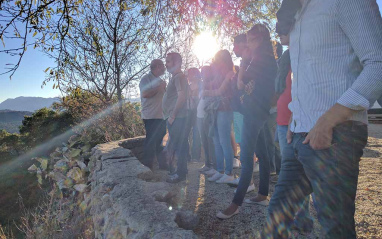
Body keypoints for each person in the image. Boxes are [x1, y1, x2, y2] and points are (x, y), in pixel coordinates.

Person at [264, 0, 382, 238]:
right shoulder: (299, 14)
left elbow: (378, 64)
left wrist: (328, 120)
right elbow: (307, 74)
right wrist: (296, 117)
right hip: (299, 136)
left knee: (336, 231)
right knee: (275, 223)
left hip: (336, 136)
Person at [217, 24, 277, 219]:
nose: (247, 44)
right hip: (259, 111)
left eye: (250, 40)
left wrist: (241, 70)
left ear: (259, 40)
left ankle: (236, 204)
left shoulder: (259, 60)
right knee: (263, 154)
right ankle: (262, 194)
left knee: (247, 158)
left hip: (253, 112)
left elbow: (241, 84)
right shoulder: (268, 59)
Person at [202, 50, 236, 184]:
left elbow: (220, 91)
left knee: (224, 141)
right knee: (216, 140)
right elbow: (212, 85)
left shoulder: (229, 73)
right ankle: (220, 170)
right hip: (215, 110)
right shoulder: (219, 74)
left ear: (223, 60)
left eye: (217, 60)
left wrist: (205, 92)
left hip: (225, 110)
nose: (215, 63)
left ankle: (229, 172)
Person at [163, 52, 189, 183]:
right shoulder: (176, 77)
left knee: (179, 146)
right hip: (177, 118)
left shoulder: (179, 77)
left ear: (177, 63)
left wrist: (172, 115)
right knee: (180, 145)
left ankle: (180, 174)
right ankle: (181, 172)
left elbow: (182, 97)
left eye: (168, 61)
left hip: (178, 118)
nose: (166, 64)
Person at [139, 59, 167, 170]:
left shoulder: (160, 80)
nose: (164, 68)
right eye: (162, 66)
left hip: (161, 116)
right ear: (156, 66)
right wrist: (159, 87)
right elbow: (145, 94)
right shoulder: (145, 79)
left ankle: (163, 166)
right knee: (150, 142)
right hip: (150, 116)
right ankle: (147, 167)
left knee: (161, 142)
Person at [198, 65, 217, 175]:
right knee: (204, 142)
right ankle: (207, 164)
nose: (202, 74)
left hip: (207, 116)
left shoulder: (212, 84)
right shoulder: (202, 85)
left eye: (204, 72)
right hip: (199, 116)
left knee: (210, 142)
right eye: (201, 72)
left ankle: (214, 166)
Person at [186, 68, 202, 163]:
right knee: (185, 134)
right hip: (188, 112)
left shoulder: (202, 85)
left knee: (197, 135)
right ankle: (187, 156)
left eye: (189, 74)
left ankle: (195, 157)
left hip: (198, 112)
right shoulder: (188, 86)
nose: (188, 76)